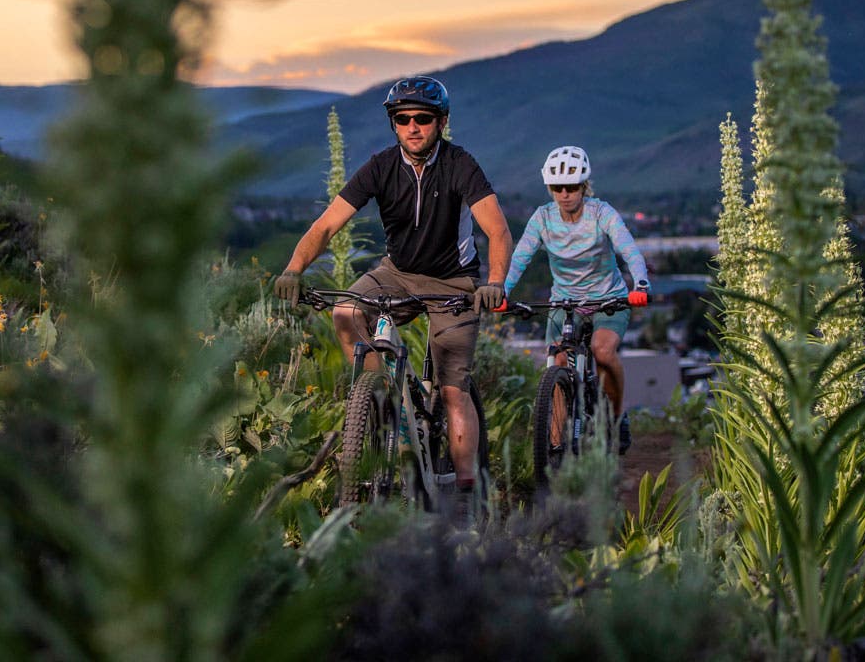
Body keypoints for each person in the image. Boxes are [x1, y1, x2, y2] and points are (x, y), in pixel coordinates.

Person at [273, 75, 513, 514]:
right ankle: (379, 401)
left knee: (453, 390)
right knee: (345, 311)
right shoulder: (380, 167)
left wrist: (495, 281)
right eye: (403, 119)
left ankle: (466, 495)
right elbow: (326, 226)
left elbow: (497, 230)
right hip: (396, 273)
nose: (412, 127)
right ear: (394, 124)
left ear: (441, 122)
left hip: (453, 282)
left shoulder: (460, 164)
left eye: (423, 118)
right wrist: (293, 269)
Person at [502, 145, 649, 455]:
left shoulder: (601, 213)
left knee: (602, 351)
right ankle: (554, 448)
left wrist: (640, 284)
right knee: (556, 361)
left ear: (584, 186)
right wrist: (502, 291)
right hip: (565, 302)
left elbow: (629, 250)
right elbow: (520, 258)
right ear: (550, 189)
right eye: (558, 188)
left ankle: (615, 417)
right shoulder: (542, 218)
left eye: (571, 187)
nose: (565, 194)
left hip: (609, 299)